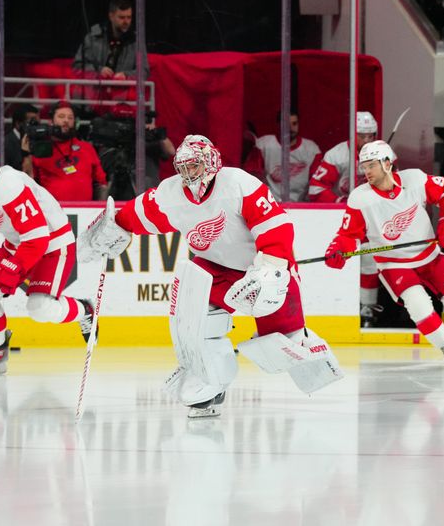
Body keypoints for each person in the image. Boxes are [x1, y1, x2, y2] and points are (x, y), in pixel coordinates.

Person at [76, 135, 344, 418]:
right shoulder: (170, 194)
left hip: (261, 266)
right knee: (195, 321)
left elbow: (277, 227)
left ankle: (309, 350)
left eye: (193, 166)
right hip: (214, 267)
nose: (187, 174)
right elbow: (136, 214)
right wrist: (113, 227)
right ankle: (211, 384)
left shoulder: (239, 184)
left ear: (210, 161)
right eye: (183, 168)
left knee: (281, 347)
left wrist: (271, 267)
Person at [0, 135, 96, 374]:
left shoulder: (7, 184)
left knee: (39, 308)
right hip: (19, 243)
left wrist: (15, 267)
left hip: (53, 244)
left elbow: (38, 237)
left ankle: (85, 309)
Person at [323, 140, 444, 367]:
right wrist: (338, 250)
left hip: (430, 255)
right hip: (394, 264)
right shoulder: (361, 198)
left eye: (371, 165)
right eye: (364, 166)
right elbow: (348, 235)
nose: (367, 171)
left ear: (387, 163)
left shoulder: (415, 180)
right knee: (418, 304)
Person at [308, 111, 382, 327]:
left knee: (370, 263)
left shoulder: (383, 154)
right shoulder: (337, 154)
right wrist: (341, 201)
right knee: (344, 263)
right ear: (354, 134)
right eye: (363, 135)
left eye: (371, 135)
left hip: (372, 219)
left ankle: (368, 310)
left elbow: (395, 186)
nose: (367, 140)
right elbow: (316, 187)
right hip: (346, 219)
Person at [22, 101, 108, 201]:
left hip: (85, 212)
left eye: (70, 117)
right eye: (61, 116)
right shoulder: (41, 149)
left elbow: (101, 184)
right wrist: (25, 153)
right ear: (51, 121)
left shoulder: (86, 148)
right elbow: (28, 181)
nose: (66, 120)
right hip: (51, 212)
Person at [244, 111, 322, 202]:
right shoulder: (264, 145)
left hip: (302, 204)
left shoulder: (312, 149)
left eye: (294, 123)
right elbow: (252, 174)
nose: (291, 128)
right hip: (271, 204)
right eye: (286, 124)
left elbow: (317, 182)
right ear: (279, 124)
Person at [72, 0, 149, 80]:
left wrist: (126, 75)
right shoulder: (93, 38)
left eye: (129, 17)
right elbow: (77, 66)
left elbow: (144, 71)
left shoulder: (136, 41)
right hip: (95, 90)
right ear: (111, 16)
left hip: (122, 91)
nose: (126, 22)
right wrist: (99, 70)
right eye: (121, 17)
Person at [4, 104, 38, 171]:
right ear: (18, 123)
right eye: (32, 121)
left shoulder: (37, 141)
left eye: (37, 121)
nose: (36, 125)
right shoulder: (5, 144)